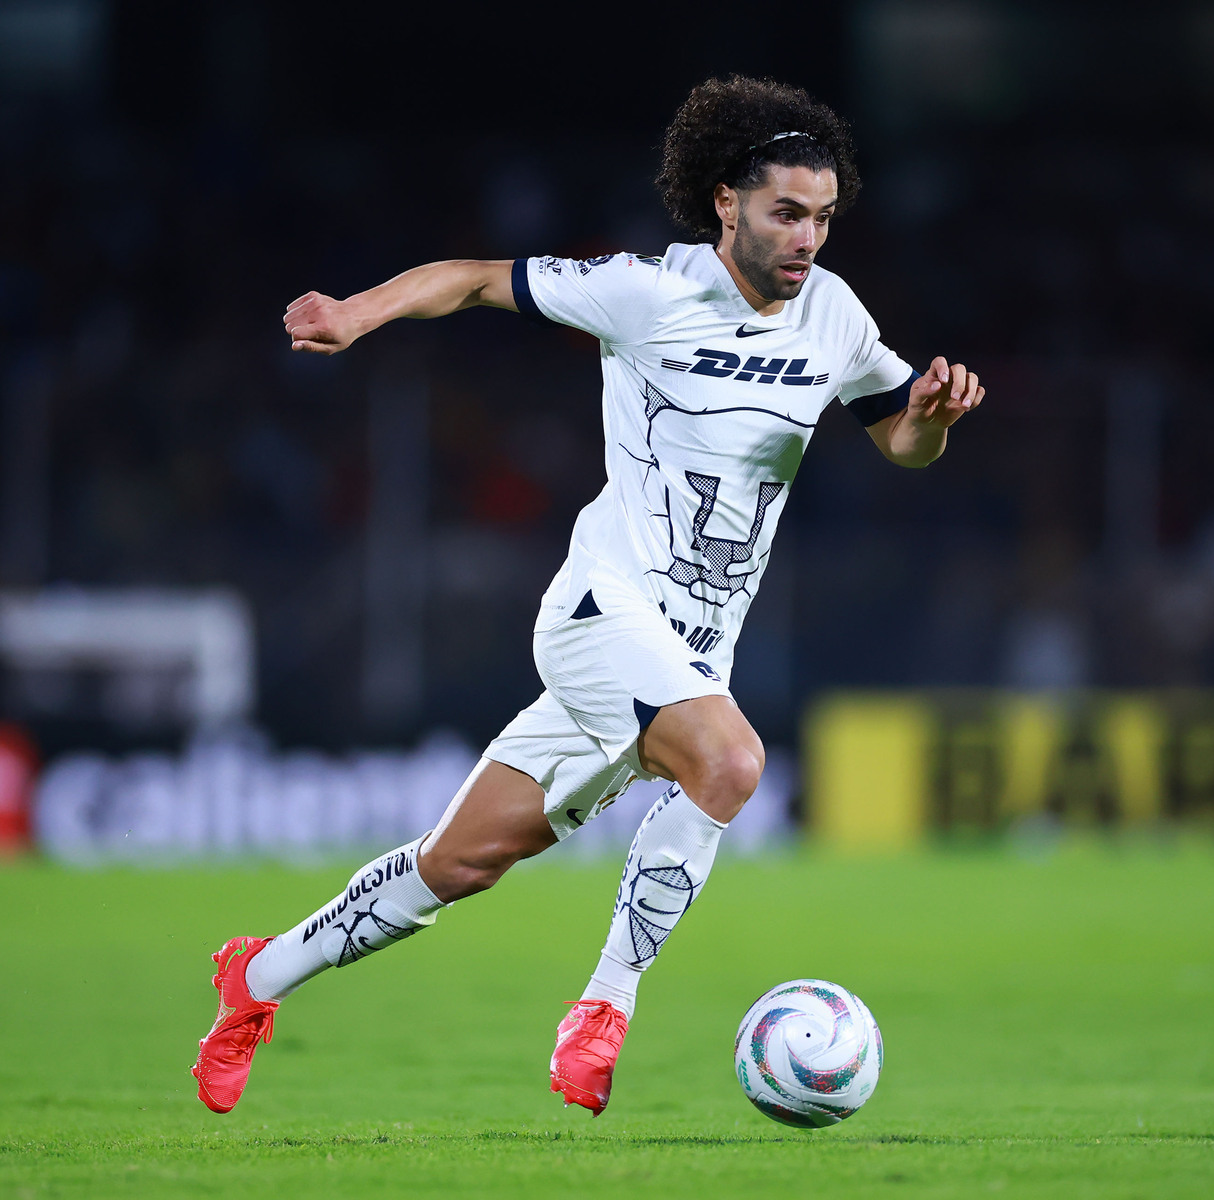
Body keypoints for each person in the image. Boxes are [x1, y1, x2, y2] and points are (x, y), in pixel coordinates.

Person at [190, 76, 985, 1117]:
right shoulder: (645, 291)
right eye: (786, 213)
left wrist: (931, 421)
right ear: (726, 203)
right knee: (731, 762)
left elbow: (901, 443)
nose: (807, 239)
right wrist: (356, 312)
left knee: (459, 863)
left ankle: (255, 977)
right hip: (601, 613)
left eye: (824, 217)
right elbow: (475, 280)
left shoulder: (833, 314)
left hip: (691, 655)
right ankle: (605, 1006)